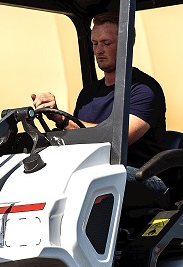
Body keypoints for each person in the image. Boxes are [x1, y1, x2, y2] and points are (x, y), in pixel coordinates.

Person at [31, 13, 169, 169]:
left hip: (137, 175)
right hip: (97, 171)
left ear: (127, 44)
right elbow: (79, 139)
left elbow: (115, 140)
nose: (98, 50)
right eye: (95, 43)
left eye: (106, 43)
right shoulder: (88, 94)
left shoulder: (144, 90)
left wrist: (62, 119)